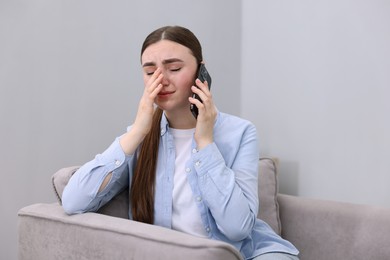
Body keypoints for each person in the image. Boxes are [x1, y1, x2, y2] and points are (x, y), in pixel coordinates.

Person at [62, 25, 299, 260]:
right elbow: (73, 202)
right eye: (149, 72)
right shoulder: (139, 139)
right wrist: (137, 132)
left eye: (174, 68)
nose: (161, 79)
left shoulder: (240, 132)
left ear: (201, 72)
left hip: (246, 254)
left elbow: (238, 228)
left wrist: (205, 142)